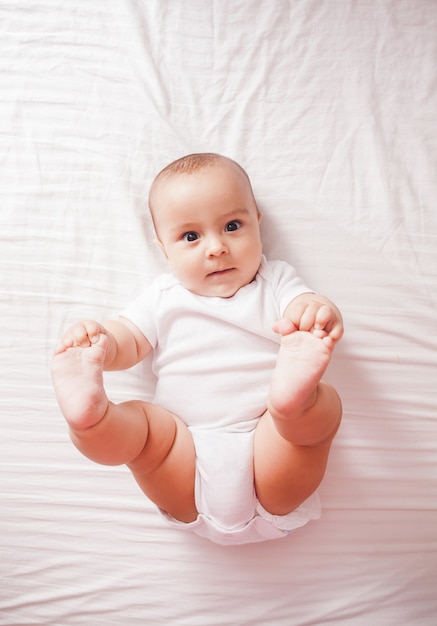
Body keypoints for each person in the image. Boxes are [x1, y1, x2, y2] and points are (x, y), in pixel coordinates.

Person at [51, 153, 343, 545]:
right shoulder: (163, 296)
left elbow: (302, 305)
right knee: (146, 428)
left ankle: (293, 405)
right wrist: (100, 342)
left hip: (266, 443)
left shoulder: (275, 282)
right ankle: (93, 422)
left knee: (317, 412)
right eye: (191, 236)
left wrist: (314, 314)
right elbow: (130, 339)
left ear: (258, 222)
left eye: (232, 226)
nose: (217, 248)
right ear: (163, 249)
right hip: (184, 451)